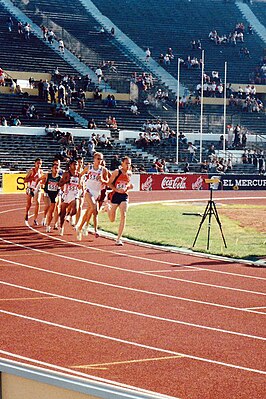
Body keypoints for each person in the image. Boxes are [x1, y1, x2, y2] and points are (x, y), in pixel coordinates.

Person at [77, 152, 108, 240]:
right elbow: (80, 174)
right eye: (98, 159)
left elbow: (108, 182)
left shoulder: (103, 170)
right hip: (88, 191)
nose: (99, 161)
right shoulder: (89, 167)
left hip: (96, 193)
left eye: (101, 159)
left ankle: (80, 228)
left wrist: (102, 180)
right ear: (94, 159)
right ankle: (95, 230)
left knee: (89, 211)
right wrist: (80, 183)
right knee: (95, 209)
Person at [107, 156, 134, 246]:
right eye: (126, 163)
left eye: (129, 163)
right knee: (112, 219)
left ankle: (118, 239)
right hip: (115, 195)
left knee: (124, 215)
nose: (128, 165)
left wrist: (129, 187)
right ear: (122, 163)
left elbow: (128, 184)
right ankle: (108, 209)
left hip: (124, 196)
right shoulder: (116, 172)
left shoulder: (130, 173)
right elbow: (109, 183)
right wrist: (116, 189)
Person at [58, 159, 80, 236]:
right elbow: (59, 184)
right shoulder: (66, 174)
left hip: (75, 194)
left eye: (76, 164)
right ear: (70, 165)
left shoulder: (79, 174)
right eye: (74, 164)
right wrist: (65, 181)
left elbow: (81, 185)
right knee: (62, 213)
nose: (76, 166)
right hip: (66, 194)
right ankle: (61, 227)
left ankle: (70, 216)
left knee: (76, 208)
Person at [41, 162, 61, 232]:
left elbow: (62, 186)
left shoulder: (59, 178)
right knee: (48, 206)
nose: (56, 169)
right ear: (52, 169)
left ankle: (48, 224)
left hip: (55, 195)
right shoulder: (48, 175)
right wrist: (39, 186)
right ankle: (46, 222)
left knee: (52, 211)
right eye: (55, 168)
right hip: (47, 193)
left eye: (57, 168)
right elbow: (40, 179)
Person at [24, 158, 44, 225]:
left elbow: (41, 181)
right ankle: (27, 212)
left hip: (37, 189)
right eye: (38, 163)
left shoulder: (41, 172)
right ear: (35, 163)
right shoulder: (31, 171)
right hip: (30, 188)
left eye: (40, 163)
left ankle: (35, 219)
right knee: (29, 204)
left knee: (38, 202)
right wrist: (32, 178)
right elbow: (25, 180)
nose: (39, 165)